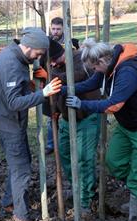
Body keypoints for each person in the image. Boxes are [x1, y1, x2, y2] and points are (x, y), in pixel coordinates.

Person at [64, 38, 137, 221]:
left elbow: (114, 104)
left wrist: (81, 104)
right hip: (128, 126)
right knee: (114, 161)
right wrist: (64, 89)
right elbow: (90, 83)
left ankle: (136, 217)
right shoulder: (107, 69)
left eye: (95, 67)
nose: (95, 71)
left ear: (102, 61)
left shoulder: (128, 72)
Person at [0, 27, 62, 221]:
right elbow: (13, 102)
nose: (39, 57)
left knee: (21, 162)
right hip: (8, 123)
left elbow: (13, 88)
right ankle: (20, 215)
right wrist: (43, 93)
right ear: (29, 47)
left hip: (6, 119)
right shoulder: (12, 63)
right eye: (39, 53)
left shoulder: (14, 54)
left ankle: (9, 201)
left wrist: (28, 84)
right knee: (21, 169)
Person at [48, 39, 101, 218]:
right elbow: (53, 91)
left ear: (60, 54)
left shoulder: (80, 58)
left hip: (86, 118)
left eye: (53, 60)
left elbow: (80, 74)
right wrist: (54, 110)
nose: (52, 64)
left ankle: (85, 201)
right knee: (65, 157)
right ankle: (78, 188)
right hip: (65, 120)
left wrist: (54, 77)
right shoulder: (53, 66)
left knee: (84, 160)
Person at [45, 17, 80, 155]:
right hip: (51, 81)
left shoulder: (71, 43)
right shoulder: (46, 43)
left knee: (69, 113)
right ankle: (51, 144)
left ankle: (72, 142)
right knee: (51, 116)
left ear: (63, 29)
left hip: (68, 82)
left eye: (58, 29)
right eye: (53, 28)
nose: (55, 31)